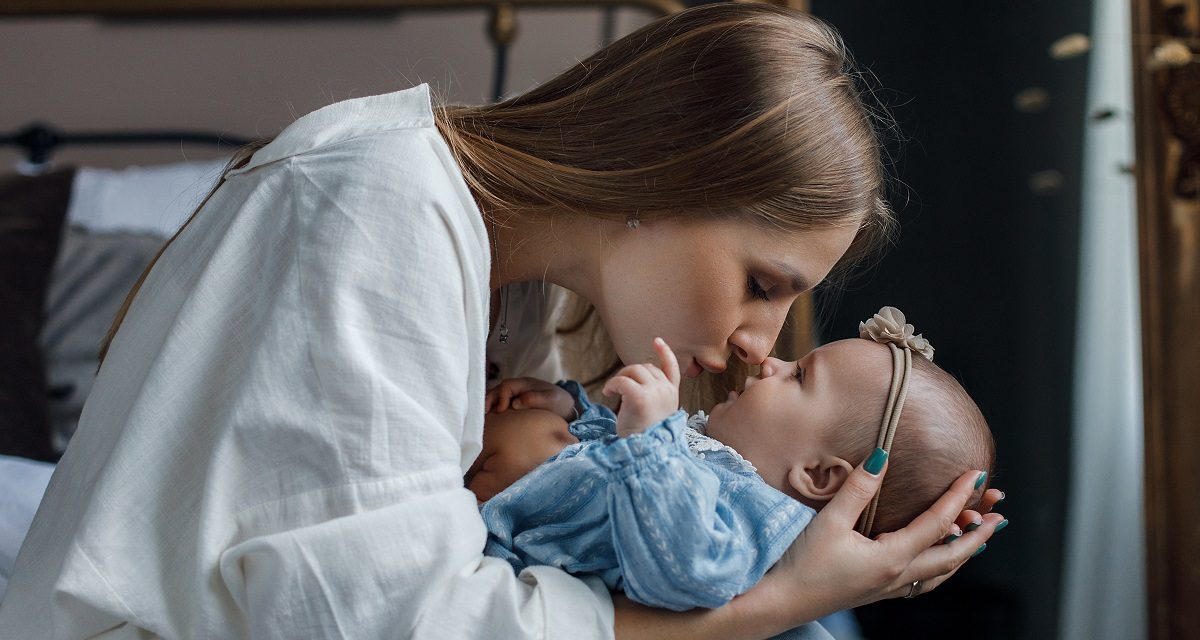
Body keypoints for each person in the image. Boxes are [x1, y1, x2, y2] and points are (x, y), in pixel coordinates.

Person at [0, 4, 1005, 639]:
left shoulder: (527, 304)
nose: (760, 343)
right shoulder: (378, 202)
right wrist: (778, 606)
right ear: (666, 172)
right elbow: (388, 623)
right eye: (760, 280)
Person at [475, 308, 998, 611]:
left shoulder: (755, 521)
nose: (772, 361)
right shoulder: (715, 459)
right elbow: (614, 460)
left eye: (798, 377)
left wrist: (648, 441)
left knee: (535, 445)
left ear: (817, 475)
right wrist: (577, 410)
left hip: (508, 562)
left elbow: (685, 569)